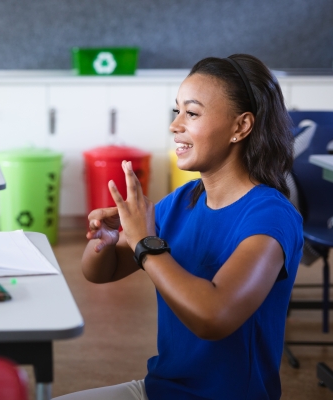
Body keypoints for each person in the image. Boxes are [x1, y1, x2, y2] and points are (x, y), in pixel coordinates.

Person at [60, 54, 303, 399]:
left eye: (191, 113)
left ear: (240, 127)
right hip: (160, 389)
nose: (175, 125)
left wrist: (144, 242)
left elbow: (214, 317)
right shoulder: (184, 200)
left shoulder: (270, 217)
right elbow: (101, 271)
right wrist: (109, 238)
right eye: (177, 112)